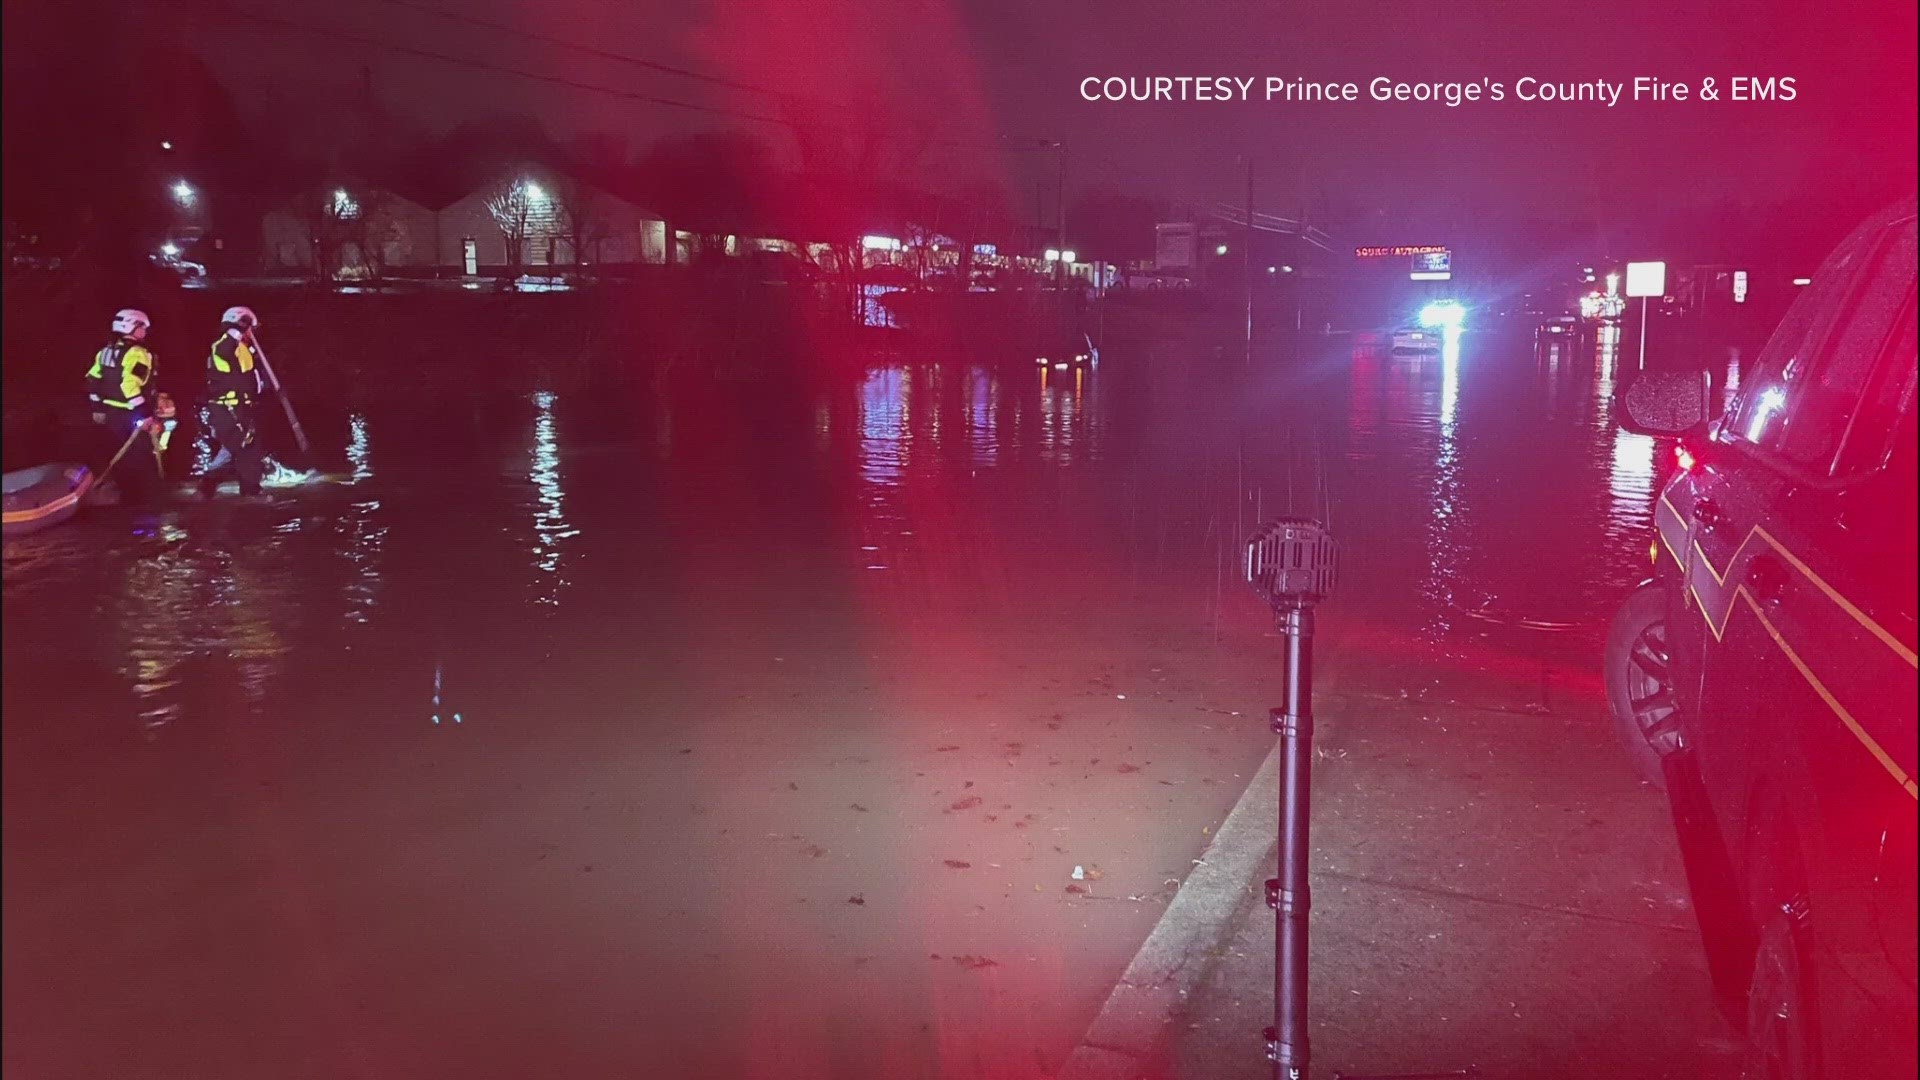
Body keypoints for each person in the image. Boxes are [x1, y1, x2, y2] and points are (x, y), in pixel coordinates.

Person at [85, 308, 161, 504]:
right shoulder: (138, 353)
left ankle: (127, 498)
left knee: (119, 457)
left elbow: (93, 380)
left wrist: (97, 408)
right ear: (132, 327)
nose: (145, 331)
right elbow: (130, 385)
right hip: (130, 415)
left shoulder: (105, 352)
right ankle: (143, 502)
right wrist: (143, 413)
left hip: (111, 414)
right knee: (139, 457)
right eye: (142, 327)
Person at [200, 305, 267, 500]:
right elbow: (224, 350)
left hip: (240, 407)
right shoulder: (224, 345)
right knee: (247, 448)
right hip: (229, 407)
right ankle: (250, 492)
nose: (251, 333)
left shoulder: (244, 349)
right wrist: (237, 330)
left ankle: (207, 486)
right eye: (249, 328)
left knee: (234, 446)